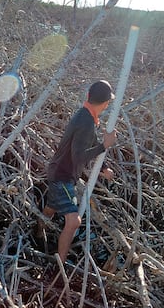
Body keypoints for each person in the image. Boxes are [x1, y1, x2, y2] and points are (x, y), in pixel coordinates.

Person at [39, 80, 118, 263]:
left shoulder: (87, 117)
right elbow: (79, 158)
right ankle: (60, 265)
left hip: (59, 171)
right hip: (62, 176)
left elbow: (91, 142)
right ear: (106, 104)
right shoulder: (86, 122)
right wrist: (105, 145)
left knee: (52, 206)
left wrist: (104, 167)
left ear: (88, 97)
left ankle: (37, 232)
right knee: (74, 222)